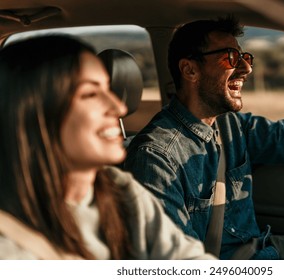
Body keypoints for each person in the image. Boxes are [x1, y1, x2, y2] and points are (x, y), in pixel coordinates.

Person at [124, 16, 284, 260]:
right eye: (230, 57)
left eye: (245, 58)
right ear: (190, 70)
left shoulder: (228, 124)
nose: (246, 69)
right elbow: (178, 264)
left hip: (264, 250)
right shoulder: (155, 157)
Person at [0, 35, 216, 260]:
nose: (119, 107)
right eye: (91, 94)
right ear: (32, 114)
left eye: (108, 89)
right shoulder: (8, 250)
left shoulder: (120, 192)